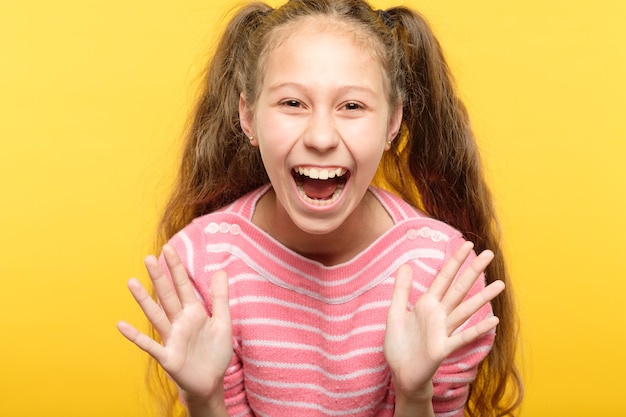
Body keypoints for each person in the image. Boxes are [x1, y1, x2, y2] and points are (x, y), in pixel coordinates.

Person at [117, 0, 523, 416]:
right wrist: (206, 400)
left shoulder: (445, 276)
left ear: (392, 123)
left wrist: (414, 394)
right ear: (248, 116)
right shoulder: (200, 266)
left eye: (352, 106)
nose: (322, 137)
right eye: (293, 103)